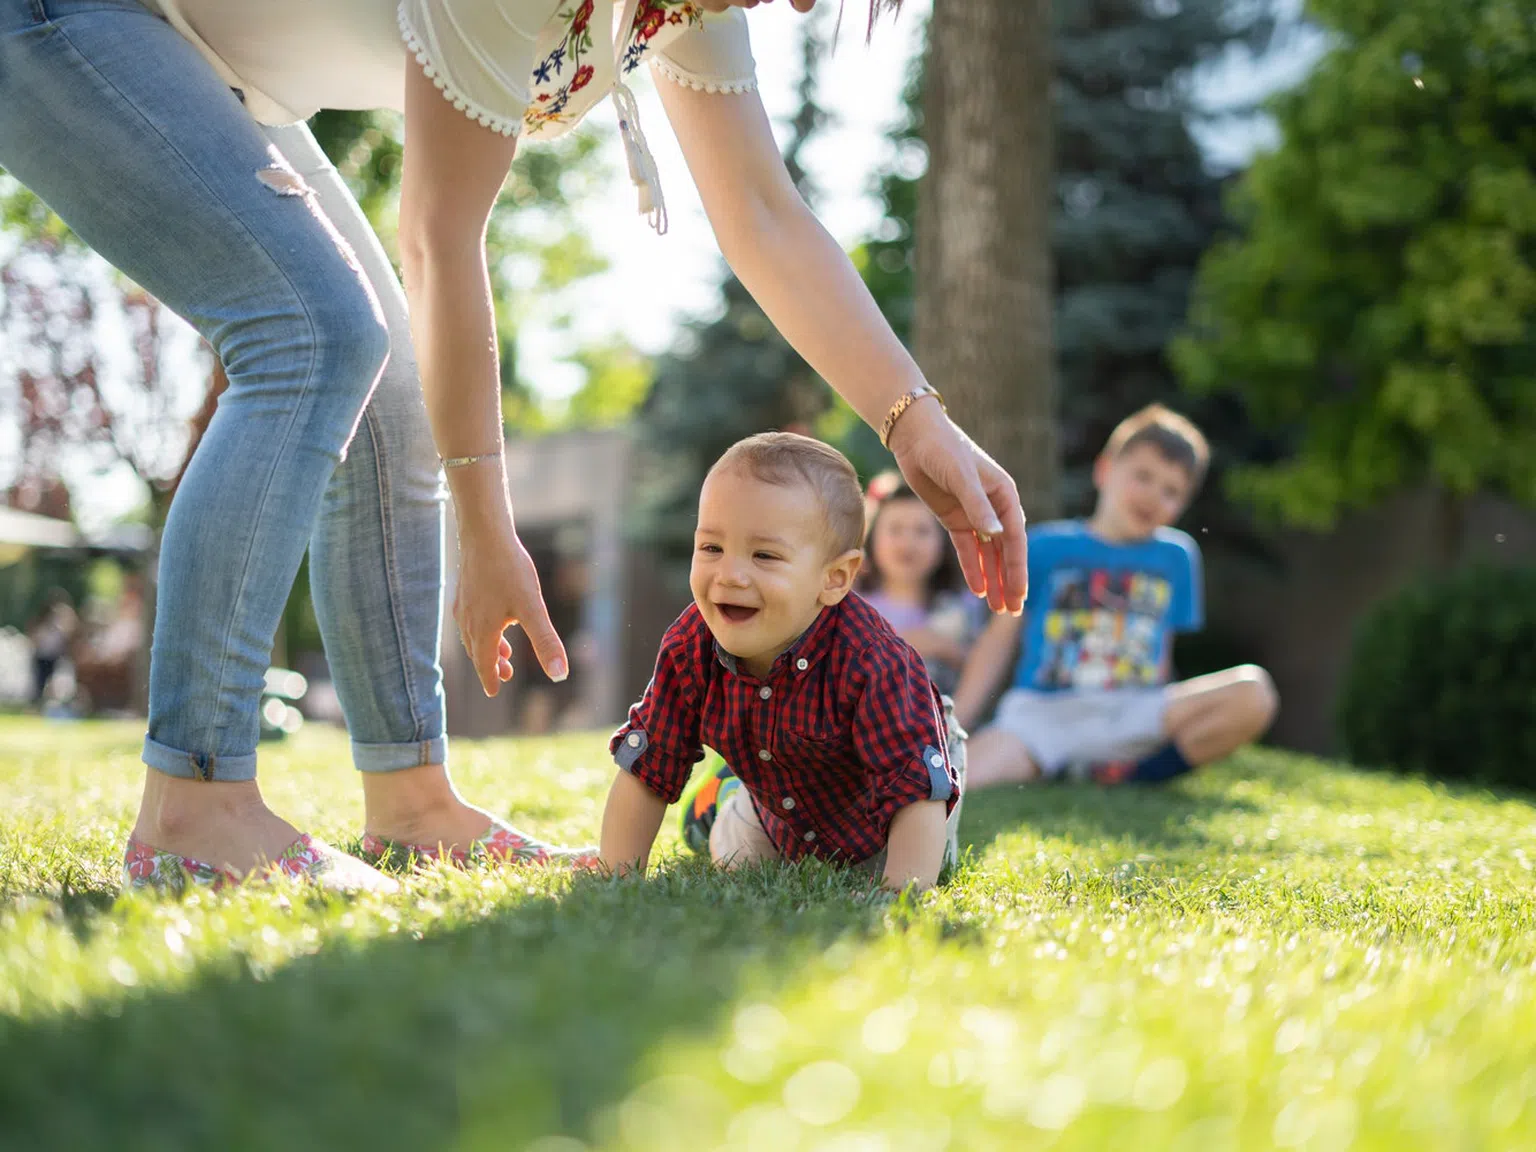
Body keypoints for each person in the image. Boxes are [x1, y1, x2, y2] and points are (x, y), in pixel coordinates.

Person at [0, 0, 1023, 893]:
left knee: (389, 382)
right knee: (317, 332)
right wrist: (487, 531)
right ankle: (195, 807)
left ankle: (409, 801)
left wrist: (914, 417)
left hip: (217, 70)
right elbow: (441, 236)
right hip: (79, 17)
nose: (800, 3)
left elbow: (760, 211)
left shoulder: (690, 8)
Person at [599, 433, 964, 893]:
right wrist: (614, 876)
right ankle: (722, 799)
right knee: (737, 858)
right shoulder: (689, 646)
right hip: (779, 810)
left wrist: (902, 897)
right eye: (712, 548)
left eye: (764, 555)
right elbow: (647, 765)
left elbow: (915, 789)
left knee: (910, 863)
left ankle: (726, 791)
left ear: (833, 579)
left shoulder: (875, 661)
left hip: (891, 811)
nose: (730, 575)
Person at [956, 405, 1279, 788]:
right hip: (1044, 716)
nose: (1153, 496)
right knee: (961, 776)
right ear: (1105, 470)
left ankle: (1132, 777)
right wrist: (957, 722)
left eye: (1171, 491)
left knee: (1254, 692)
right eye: (1143, 476)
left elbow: (1163, 652)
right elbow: (998, 642)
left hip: (1134, 712)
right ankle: (1069, 765)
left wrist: (1166, 714)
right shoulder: (1043, 547)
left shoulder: (1177, 557)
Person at [860, 472, 988, 697]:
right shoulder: (853, 604)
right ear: (872, 537)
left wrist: (945, 648)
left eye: (922, 531)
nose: (907, 543)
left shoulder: (964, 603)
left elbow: (984, 666)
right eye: (895, 530)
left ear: (944, 542)